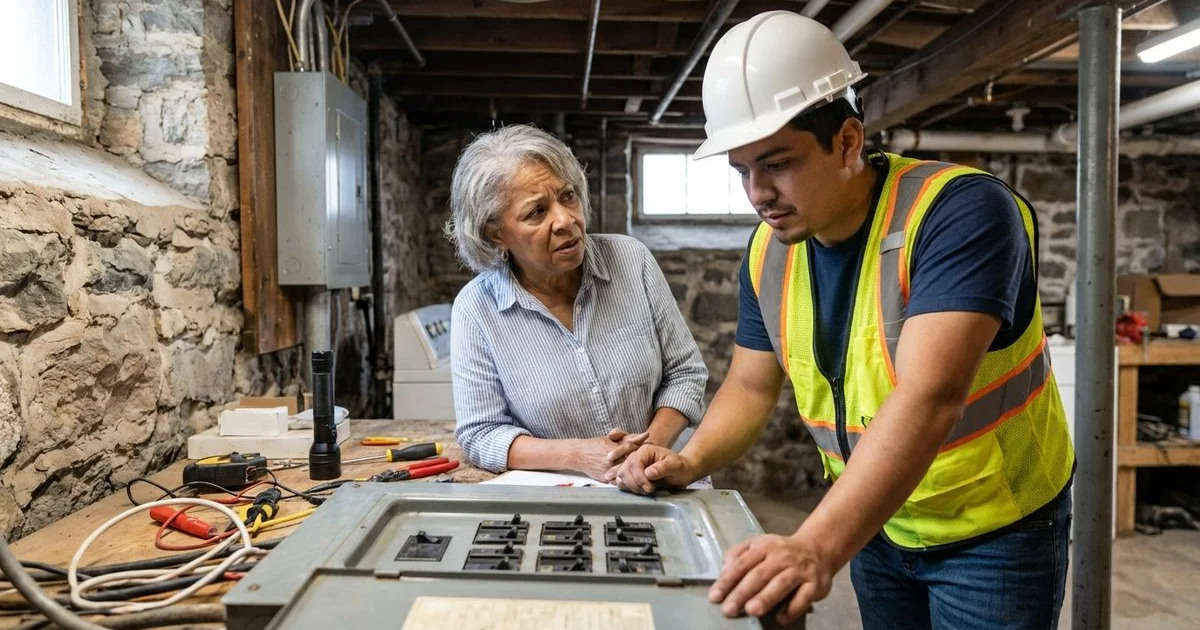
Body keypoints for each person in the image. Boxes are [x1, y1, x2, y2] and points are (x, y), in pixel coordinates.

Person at [607, 11, 1075, 630]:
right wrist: (688, 461)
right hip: (879, 518)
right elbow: (750, 386)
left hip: (992, 531)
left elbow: (931, 397)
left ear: (849, 142)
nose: (758, 193)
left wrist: (815, 546)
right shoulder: (769, 250)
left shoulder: (960, 212)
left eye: (778, 163)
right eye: (742, 170)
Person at [445, 123, 708, 481]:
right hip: (567, 493)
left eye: (568, 196)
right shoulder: (476, 310)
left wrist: (650, 450)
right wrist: (580, 454)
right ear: (496, 233)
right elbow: (481, 434)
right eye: (537, 212)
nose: (566, 220)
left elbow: (685, 373)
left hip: (668, 480)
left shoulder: (632, 261)